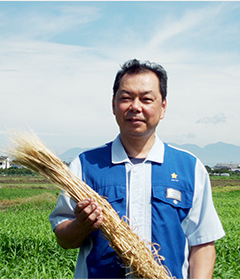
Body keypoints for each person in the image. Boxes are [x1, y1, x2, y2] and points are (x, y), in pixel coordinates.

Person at [49, 59, 225, 279]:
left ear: (163, 107)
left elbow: (203, 244)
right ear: (113, 104)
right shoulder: (84, 166)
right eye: (126, 98)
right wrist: (82, 225)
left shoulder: (190, 168)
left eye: (146, 99)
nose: (135, 107)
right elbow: (64, 239)